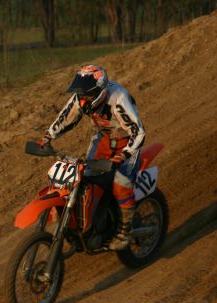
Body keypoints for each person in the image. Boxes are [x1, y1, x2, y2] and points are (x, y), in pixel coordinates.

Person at [38, 64, 146, 250]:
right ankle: (89, 223)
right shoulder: (81, 98)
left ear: (99, 91)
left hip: (128, 143)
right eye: (80, 94)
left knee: (121, 184)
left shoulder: (117, 98)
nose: (81, 99)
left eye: (86, 95)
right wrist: (48, 136)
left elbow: (139, 132)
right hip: (104, 139)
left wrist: (125, 154)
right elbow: (67, 117)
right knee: (85, 176)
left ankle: (125, 230)